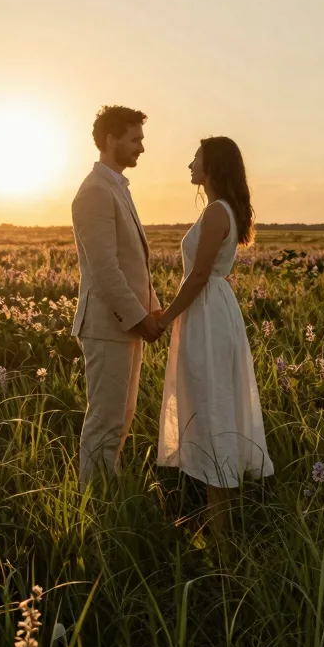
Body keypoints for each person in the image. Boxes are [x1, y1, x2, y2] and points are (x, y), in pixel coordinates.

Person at [155, 136, 273, 531]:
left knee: (212, 406)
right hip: (209, 311)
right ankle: (215, 521)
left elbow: (199, 275)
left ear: (213, 166)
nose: (189, 164)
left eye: (196, 158)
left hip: (207, 312)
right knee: (207, 405)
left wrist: (164, 317)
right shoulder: (219, 210)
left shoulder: (217, 213)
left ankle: (221, 535)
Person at [70, 105, 163, 487]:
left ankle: (110, 495)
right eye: (135, 139)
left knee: (121, 418)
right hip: (109, 324)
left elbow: (132, 263)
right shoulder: (94, 191)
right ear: (111, 140)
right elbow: (105, 269)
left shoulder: (115, 187)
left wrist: (155, 312)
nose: (141, 147)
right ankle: (94, 504)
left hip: (126, 323)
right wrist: (141, 319)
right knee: (105, 420)